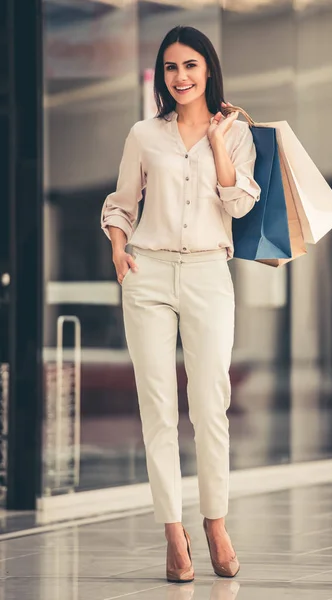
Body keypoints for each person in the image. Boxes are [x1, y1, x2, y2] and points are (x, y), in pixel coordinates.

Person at [101, 25, 260, 583]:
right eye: (171, 67)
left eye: (190, 65)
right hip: (147, 273)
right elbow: (121, 203)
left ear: (208, 69)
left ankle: (215, 523)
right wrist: (120, 250)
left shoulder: (238, 134)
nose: (181, 76)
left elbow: (239, 205)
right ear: (161, 77)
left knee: (211, 407)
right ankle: (174, 533)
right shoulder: (144, 134)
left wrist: (218, 142)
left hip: (207, 273)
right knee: (157, 410)